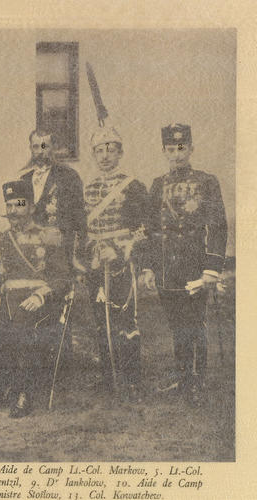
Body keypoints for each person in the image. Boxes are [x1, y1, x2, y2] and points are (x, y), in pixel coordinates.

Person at [140, 123, 227, 405]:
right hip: (166, 266)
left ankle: (196, 382)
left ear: (190, 149)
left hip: (194, 264)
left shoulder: (207, 181)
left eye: (181, 148)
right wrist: (149, 266)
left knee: (195, 323)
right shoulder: (157, 185)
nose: (176, 154)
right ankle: (182, 377)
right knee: (176, 324)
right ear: (163, 151)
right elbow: (151, 230)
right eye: (170, 149)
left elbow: (218, 226)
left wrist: (212, 268)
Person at [0, 181, 72, 417]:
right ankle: (5, 385)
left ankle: (24, 392)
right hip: (8, 299)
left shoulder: (49, 237)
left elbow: (63, 277)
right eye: (9, 205)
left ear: (31, 207)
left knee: (22, 325)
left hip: (41, 301)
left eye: (19, 204)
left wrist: (41, 295)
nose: (13, 211)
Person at [82, 127, 149, 400]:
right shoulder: (88, 188)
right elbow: (84, 230)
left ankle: (131, 378)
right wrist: (93, 253)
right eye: (99, 150)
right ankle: (109, 377)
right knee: (102, 319)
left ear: (120, 153)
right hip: (97, 263)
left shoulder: (133, 186)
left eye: (111, 150)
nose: (105, 156)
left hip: (124, 261)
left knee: (126, 319)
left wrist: (121, 252)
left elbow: (142, 229)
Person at [18, 129, 86, 268]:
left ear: (53, 147)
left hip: (60, 249)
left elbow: (78, 218)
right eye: (36, 147)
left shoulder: (69, 177)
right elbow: (19, 211)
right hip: (31, 249)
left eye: (45, 146)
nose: (40, 151)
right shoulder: (23, 180)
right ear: (30, 148)